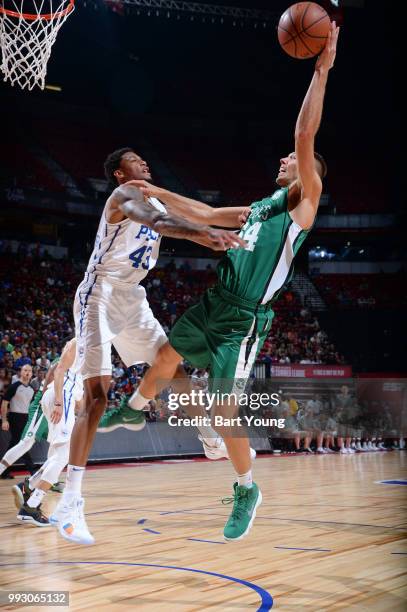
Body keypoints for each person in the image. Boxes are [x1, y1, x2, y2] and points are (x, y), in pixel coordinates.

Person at [126, 22, 340, 541]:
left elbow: (305, 135)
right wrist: (151, 192)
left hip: (242, 317)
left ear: (309, 175)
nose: (284, 159)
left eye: (291, 161)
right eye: (289, 159)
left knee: (224, 408)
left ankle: (247, 487)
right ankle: (129, 412)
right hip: (214, 300)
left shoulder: (302, 205)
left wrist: (322, 67)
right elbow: (202, 211)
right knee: (166, 359)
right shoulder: (259, 208)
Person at [53, 148, 248, 545]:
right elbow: (158, 221)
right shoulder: (122, 198)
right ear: (120, 173)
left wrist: (250, 215)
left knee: (169, 366)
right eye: (136, 161)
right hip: (99, 294)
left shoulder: (155, 195)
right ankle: (69, 502)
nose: (146, 164)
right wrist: (202, 235)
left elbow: (199, 213)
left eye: (145, 160)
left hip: (132, 297)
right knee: (97, 393)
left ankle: (208, 437)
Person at [13, 338, 84, 527]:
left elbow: (80, 400)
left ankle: (28, 486)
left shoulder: (90, 351)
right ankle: (30, 506)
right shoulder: (80, 341)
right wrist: (59, 402)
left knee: (56, 456)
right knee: (62, 457)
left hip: (59, 397)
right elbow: (58, 370)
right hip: (60, 398)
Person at [1, 364, 35, 478]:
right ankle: (33, 472)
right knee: (23, 444)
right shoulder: (14, 386)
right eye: (25, 370)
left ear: (31, 374)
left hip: (26, 419)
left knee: (13, 445)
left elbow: (30, 407)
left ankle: (3, 471)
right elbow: (4, 403)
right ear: (20, 372)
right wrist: (4, 420)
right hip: (14, 418)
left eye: (30, 371)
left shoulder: (31, 390)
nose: (27, 372)